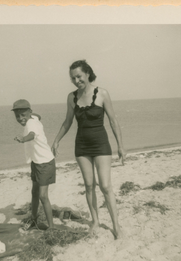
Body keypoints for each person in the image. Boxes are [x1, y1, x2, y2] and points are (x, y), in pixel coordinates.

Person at [52, 60, 126, 239]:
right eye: (73, 78)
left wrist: (120, 146)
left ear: (87, 74)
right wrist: (56, 141)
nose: (76, 80)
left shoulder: (102, 94)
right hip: (82, 146)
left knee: (106, 186)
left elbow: (113, 121)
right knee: (89, 185)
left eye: (79, 76)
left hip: (101, 145)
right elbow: (68, 122)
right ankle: (95, 221)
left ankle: (116, 225)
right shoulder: (71, 98)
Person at [12, 99, 55, 230]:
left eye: (23, 115)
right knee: (34, 192)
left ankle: (52, 227)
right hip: (36, 162)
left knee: (42, 195)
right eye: (17, 116)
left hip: (45, 162)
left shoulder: (31, 124)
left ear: (29, 112)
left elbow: (32, 134)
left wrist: (23, 139)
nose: (20, 118)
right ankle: (34, 219)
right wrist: (30, 115)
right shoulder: (34, 119)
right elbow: (37, 116)